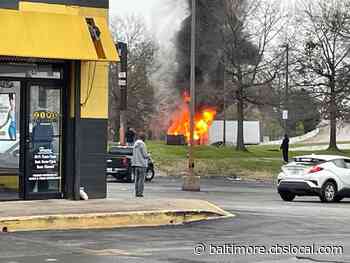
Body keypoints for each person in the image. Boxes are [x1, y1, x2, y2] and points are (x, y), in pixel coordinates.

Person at [131, 133, 149, 197]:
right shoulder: (142, 144)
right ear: (143, 138)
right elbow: (145, 155)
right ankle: (140, 193)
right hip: (142, 164)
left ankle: (136, 192)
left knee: (136, 179)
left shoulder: (135, 144)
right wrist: (149, 155)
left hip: (135, 164)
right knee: (141, 180)